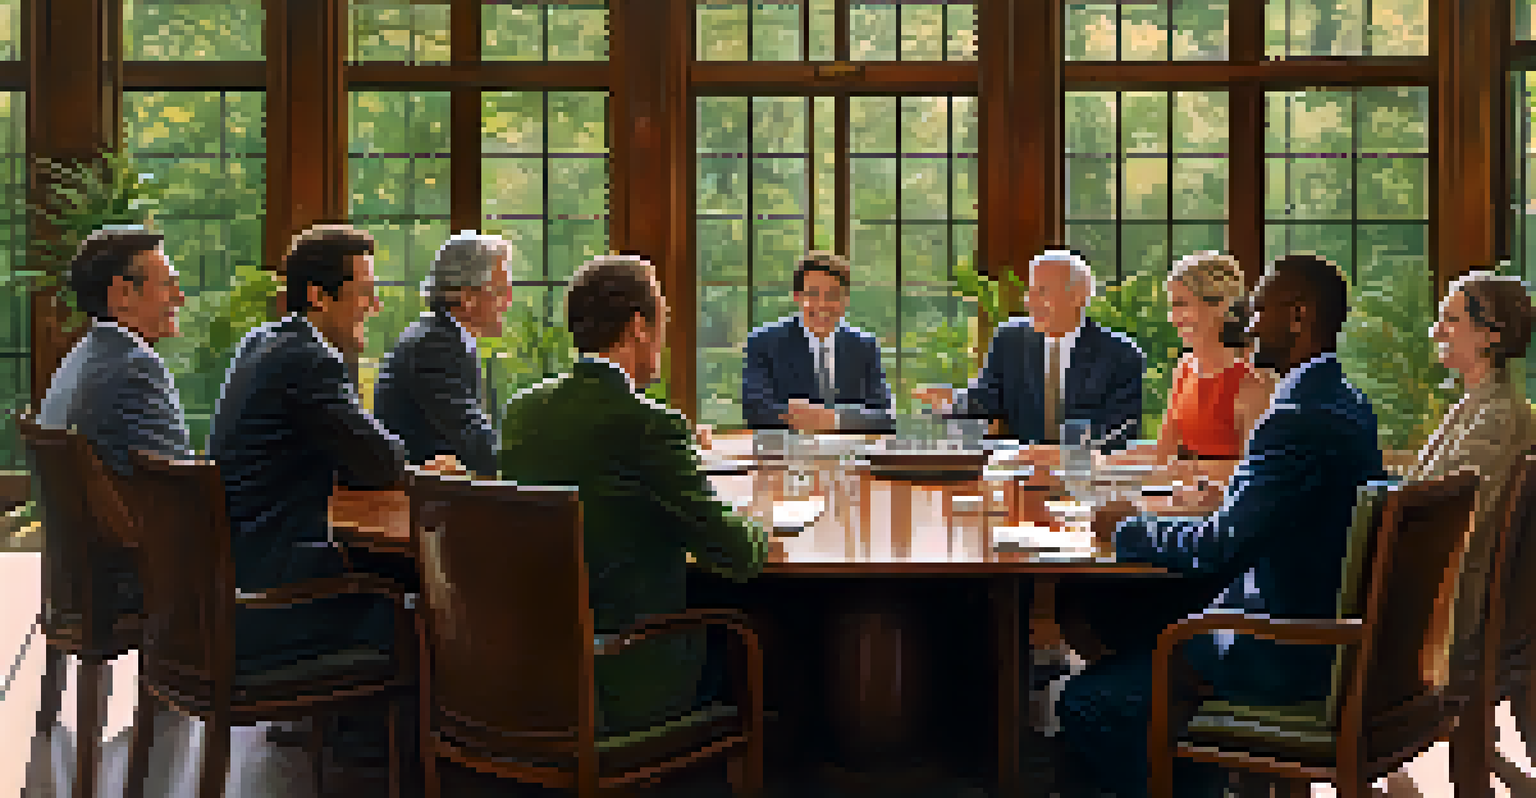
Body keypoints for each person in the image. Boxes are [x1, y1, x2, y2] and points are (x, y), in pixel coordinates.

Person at [1053, 254, 1385, 798]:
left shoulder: (1293, 418)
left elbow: (1219, 544)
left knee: (1087, 701)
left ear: (1298, 316)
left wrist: (1128, 528)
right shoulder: (1343, 400)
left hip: (1286, 651)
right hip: (1319, 624)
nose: (1248, 324)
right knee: (1105, 616)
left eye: (1259, 310)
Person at [499, 254, 768, 735]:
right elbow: (738, 553)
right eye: (663, 318)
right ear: (639, 327)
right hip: (627, 678)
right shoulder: (650, 427)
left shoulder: (522, 412)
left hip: (531, 673)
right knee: (768, 637)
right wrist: (761, 524)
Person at [208, 224, 407, 761]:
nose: (374, 306)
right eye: (365, 292)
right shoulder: (308, 360)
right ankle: (405, 759)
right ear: (320, 296)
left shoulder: (262, 343)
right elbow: (380, 462)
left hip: (228, 589)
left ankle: (349, 739)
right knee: (417, 596)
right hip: (267, 605)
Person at [1403, 272, 1534, 797]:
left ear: (1490, 335)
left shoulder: (1497, 418)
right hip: (1462, 601)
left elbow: (1435, 510)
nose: (1437, 331)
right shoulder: (1479, 406)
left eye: (1451, 320)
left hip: (1455, 616)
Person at [912, 250, 1143, 451]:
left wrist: (1063, 456)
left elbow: (1120, 433)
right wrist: (953, 401)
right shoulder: (1010, 340)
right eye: (1029, 291)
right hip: (1022, 470)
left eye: (1042, 291)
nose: (1029, 302)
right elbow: (987, 400)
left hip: (1088, 472)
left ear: (1077, 297)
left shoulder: (1121, 355)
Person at [373, 231, 510, 477]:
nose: (508, 301)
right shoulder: (433, 347)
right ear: (466, 297)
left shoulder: (444, 337)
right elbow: (475, 443)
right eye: (501, 291)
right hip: (418, 495)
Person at [742, 252, 893, 432]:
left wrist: (834, 420)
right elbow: (755, 411)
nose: (822, 304)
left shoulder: (864, 346)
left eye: (832, 295)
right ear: (797, 297)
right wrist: (809, 419)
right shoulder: (763, 342)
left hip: (851, 449)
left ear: (845, 300)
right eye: (812, 294)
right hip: (787, 448)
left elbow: (884, 416)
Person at [1153, 252, 1274, 463]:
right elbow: (1163, 453)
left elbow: (1256, 468)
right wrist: (1102, 461)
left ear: (1221, 305)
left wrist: (1187, 470)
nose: (1174, 318)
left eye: (1183, 305)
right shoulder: (1184, 369)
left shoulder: (1253, 383)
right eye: (1172, 306)